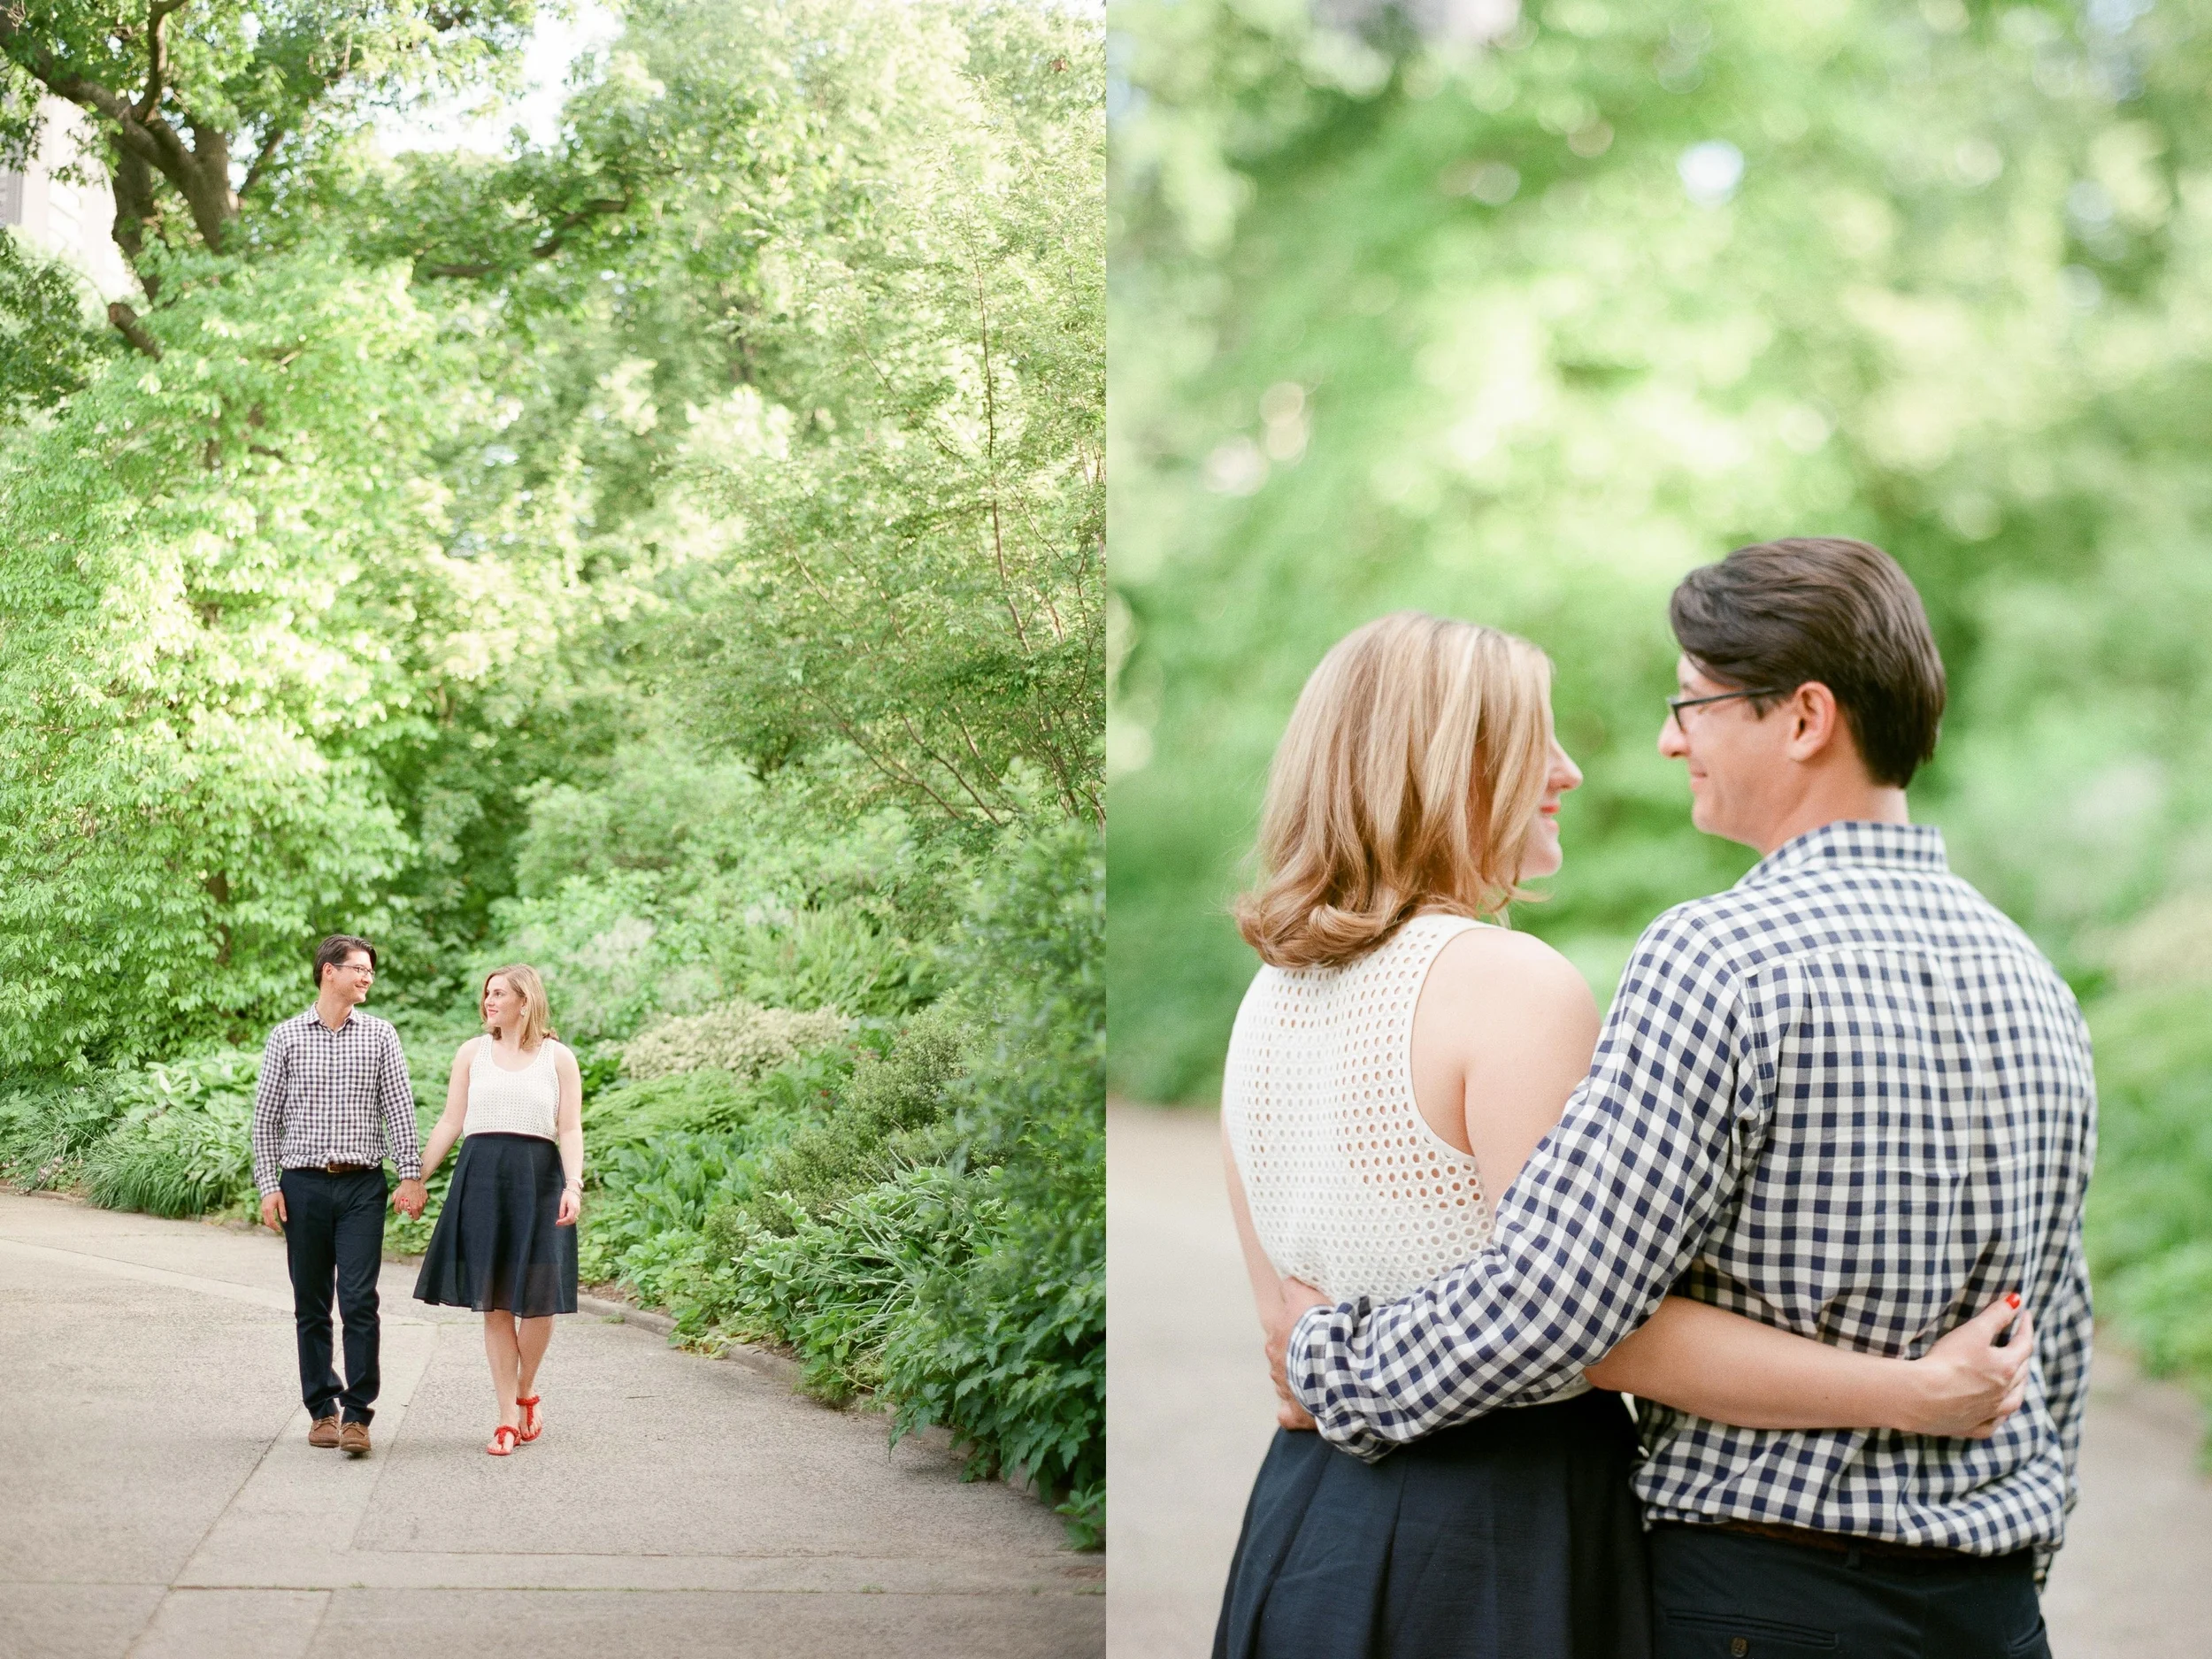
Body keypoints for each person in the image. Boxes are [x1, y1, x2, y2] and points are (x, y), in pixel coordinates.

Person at [1268, 544, 2093, 1659]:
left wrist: (1330, 1361)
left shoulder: (1720, 958)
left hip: (1765, 1599)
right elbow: (2061, 1338)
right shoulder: (2034, 982)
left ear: (1803, 718)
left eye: (1693, 703)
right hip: (1993, 1609)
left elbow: (1558, 1300)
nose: (1668, 738)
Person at [253, 934, 428, 1459]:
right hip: (303, 1185)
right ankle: (322, 1410)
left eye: (371, 970)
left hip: (361, 1187)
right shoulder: (286, 1038)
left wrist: (411, 1175)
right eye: (358, 969)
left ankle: (357, 1415)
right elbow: (265, 1121)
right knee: (310, 1303)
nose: (367, 977)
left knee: (358, 1301)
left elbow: (399, 1108)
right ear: (328, 972)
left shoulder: (380, 1036)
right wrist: (268, 1186)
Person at [412, 964, 584, 1456]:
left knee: (540, 1297)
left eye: (499, 994)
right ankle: (507, 1417)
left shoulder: (558, 1058)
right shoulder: (472, 1053)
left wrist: (573, 1184)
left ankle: (525, 1389)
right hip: (483, 1177)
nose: (489, 1001)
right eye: (487, 994)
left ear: (525, 1001)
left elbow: (569, 1128)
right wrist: (416, 1178)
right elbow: (451, 1120)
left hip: (539, 1178)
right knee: (496, 1301)